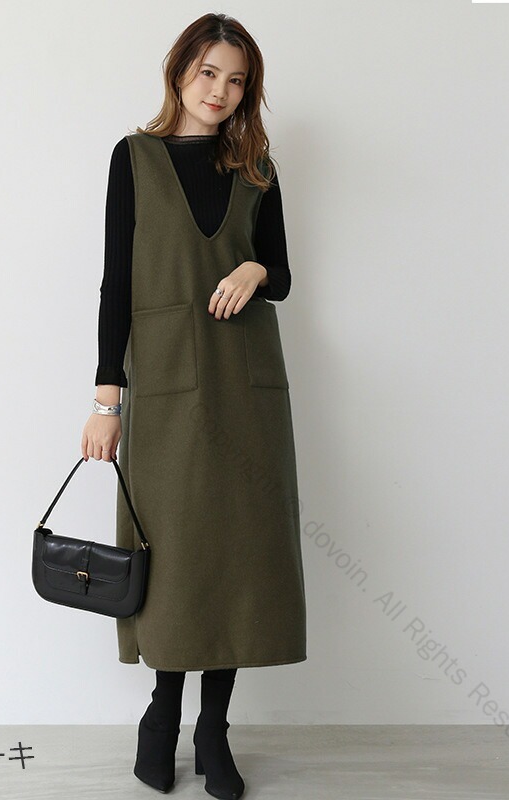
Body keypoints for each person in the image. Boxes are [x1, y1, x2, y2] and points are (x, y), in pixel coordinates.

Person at [80, 13, 307, 800]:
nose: (221, 91)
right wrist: (106, 398)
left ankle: (213, 728)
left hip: (247, 387)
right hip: (168, 389)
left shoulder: (257, 168)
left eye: (237, 80)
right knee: (173, 552)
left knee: (237, 554)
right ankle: (163, 711)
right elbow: (116, 283)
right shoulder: (134, 157)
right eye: (209, 72)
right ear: (179, 71)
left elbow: (281, 272)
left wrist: (254, 270)